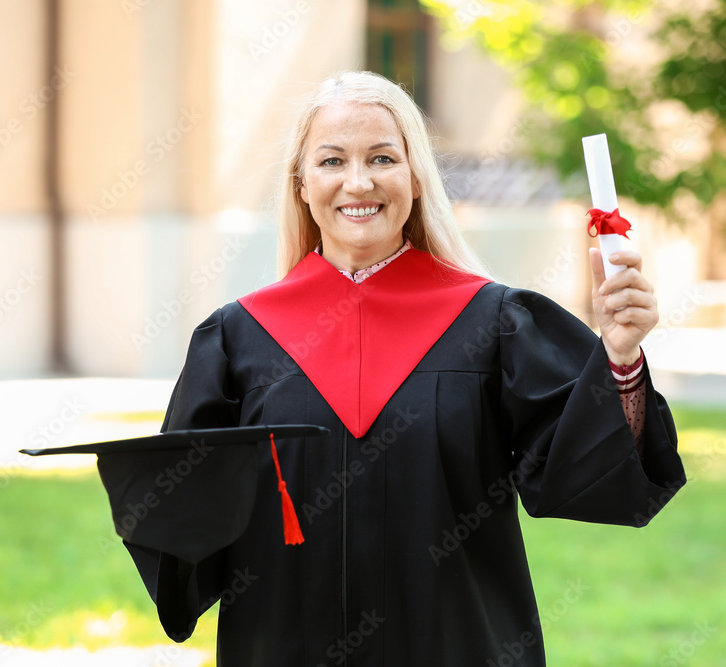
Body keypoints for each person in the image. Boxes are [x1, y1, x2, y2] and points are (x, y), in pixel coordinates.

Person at [110, 70, 686, 666]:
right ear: (301, 184)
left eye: (382, 157)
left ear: (415, 176)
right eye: (331, 161)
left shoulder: (494, 324)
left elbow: (583, 470)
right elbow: (189, 528)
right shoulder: (238, 339)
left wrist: (617, 357)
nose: (358, 182)